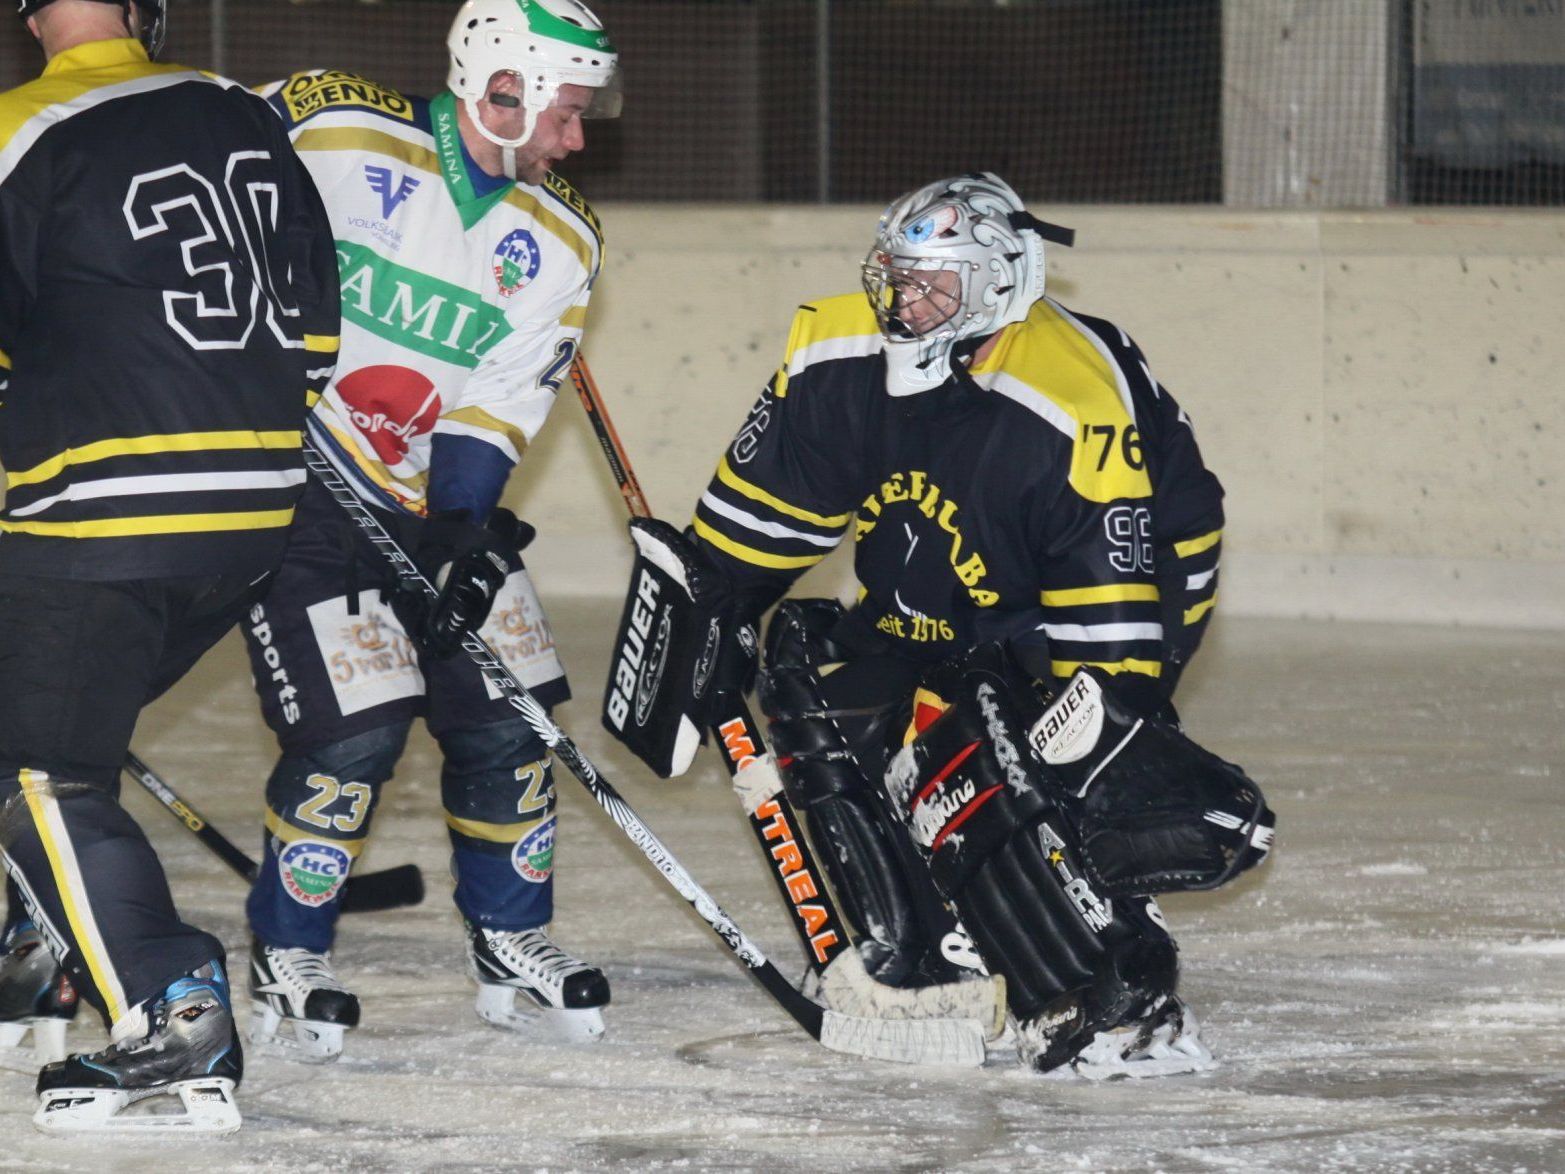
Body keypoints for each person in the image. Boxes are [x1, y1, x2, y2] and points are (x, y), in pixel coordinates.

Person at [605, 173, 1269, 1075]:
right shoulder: (833, 353)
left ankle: (1109, 984)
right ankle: (919, 939)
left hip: (1101, 592)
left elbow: (1111, 637)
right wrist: (706, 611)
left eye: (934, 284)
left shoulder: (1064, 406)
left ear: (998, 284)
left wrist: (1108, 735)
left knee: (1022, 756)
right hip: (930, 589)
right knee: (815, 684)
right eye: (895, 275)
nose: (902, 302)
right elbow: (757, 525)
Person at [236, 0, 621, 1064]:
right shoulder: (334, 130)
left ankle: (510, 936)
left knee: (515, 713)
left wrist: (460, 528)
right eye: (565, 114)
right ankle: (289, 948)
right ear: (498, 91)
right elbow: (190, 176)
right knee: (356, 726)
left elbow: (494, 404)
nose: (577, 139)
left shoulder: (562, 235)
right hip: (292, 489)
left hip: (423, 500)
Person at [0, 0, 340, 1134]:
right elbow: (319, 339)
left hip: (101, 513)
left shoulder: (19, 128)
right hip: (251, 515)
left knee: (38, 768)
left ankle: (173, 1005)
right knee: (50, 737)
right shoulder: (245, 116)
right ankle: (42, 948)